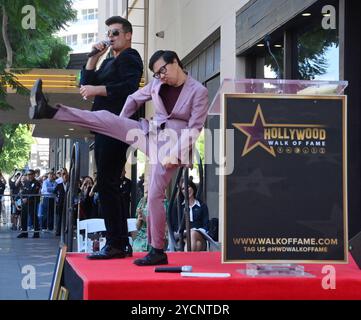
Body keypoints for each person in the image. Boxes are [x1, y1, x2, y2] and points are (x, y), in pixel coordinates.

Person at [29, 49, 209, 265]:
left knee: (153, 195)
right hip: (149, 133)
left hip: (173, 145)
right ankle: (49, 110)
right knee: (106, 118)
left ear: (176, 62)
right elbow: (133, 98)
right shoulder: (156, 84)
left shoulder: (198, 91)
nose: (161, 77)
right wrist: (121, 124)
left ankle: (157, 250)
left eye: (163, 70)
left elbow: (194, 127)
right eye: (157, 74)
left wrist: (174, 153)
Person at [179, 180, 209, 251]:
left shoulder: (202, 206)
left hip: (199, 235)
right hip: (183, 236)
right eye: (183, 188)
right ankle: (189, 260)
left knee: (192, 234)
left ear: (193, 187)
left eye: (188, 187)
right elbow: (176, 226)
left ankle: (186, 259)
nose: (186, 190)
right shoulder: (178, 207)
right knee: (198, 245)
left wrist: (193, 232)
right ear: (181, 191)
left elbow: (206, 226)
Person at [17, 169, 41, 238]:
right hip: (25, 203)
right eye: (28, 174)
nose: (29, 176)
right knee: (24, 217)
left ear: (33, 175)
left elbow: (34, 192)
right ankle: (24, 232)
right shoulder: (26, 182)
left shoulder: (36, 183)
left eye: (30, 174)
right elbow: (24, 191)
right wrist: (23, 198)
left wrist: (27, 199)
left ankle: (36, 233)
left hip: (32, 202)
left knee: (33, 218)